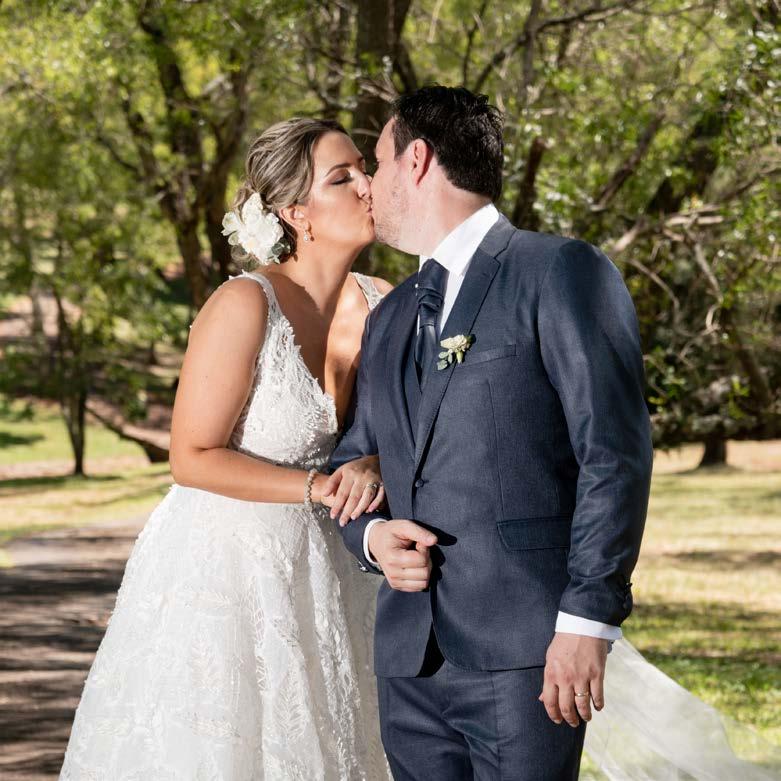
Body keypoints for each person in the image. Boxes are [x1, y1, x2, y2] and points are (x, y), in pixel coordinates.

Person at [326, 85, 654, 780]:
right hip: (409, 659)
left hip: (527, 649)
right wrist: (373, 539)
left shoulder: (558, 271)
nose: (369, 186)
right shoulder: (389, 315)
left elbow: (612, 455)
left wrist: (586, 621)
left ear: (417, 160)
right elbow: (353, 460)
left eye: (377, 164)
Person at [60, 118, 394, 780]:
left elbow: (402, 430)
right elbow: (191, 455)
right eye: (342, 177)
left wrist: (375, 463)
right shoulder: (245, 304)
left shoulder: (384, 305)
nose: (368, 184)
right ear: (296, 212)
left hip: (336, 568)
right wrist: (316, 487)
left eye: (364, 167)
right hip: (229, 571)